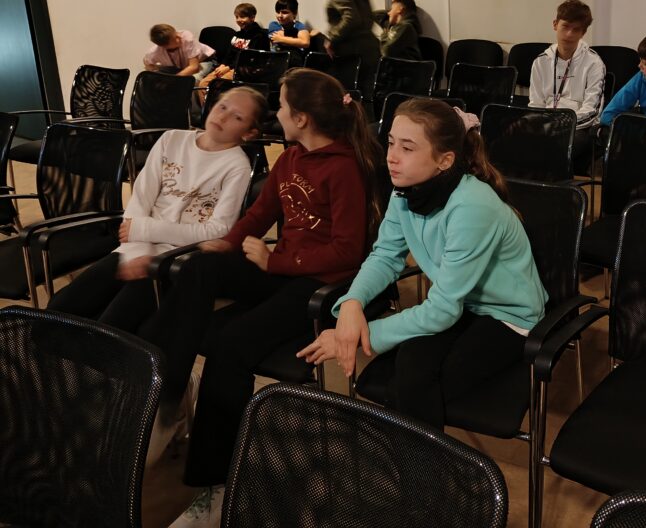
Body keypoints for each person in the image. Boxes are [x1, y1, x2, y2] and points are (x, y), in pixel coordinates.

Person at [156, 68, 382, 527]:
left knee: (231, 343)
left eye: (280, 106)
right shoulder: (292, 157)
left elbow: (348, 252)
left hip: (320, 285)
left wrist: (275, 261)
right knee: (198, 268)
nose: (275, 113)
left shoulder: (344, 168)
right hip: (282, 270)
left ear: (301, 118)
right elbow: (259, 215)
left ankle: (218, 482)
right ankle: (166, 391)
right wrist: (225, 244)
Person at [298, 98, 547, 432]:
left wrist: (358, 335)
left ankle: (421, 465)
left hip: (507, 316)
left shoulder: (472, 207)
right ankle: (418, 462)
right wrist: (352, 305)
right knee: (409, 366)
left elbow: (442, 311)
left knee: (410, 386)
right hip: (461, 303)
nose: (391, 156)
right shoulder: (405, 191)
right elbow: (385, 255)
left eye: (407, 148)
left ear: (445, 160)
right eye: (391, 143)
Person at [47, 87, 264, 331]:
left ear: (249, 133)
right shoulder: (172, 139)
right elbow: (140, 199)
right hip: (134, 245)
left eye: (237, 117)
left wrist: (144, 230)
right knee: (60, 308)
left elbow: (217, 230)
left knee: (110, 326)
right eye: (222, 106)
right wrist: (137, 251)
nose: (222, 117)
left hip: (177, 258)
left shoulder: (237, 166)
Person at [528, 0, 606, 172]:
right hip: (547, 123)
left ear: (583, 33)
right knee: (514, 139)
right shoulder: (541, 61)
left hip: (580, 128)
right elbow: (535, 104)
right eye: (565, 27)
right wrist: (543, 124)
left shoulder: (594, 63)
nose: (569, 34)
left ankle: (554, 186)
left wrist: (562, 125)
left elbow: (592, 111)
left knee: (556, 149)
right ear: (555, 24)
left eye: (576, 29)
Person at [320, 0, 381, 91]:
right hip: (369, 48)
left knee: (350, 97)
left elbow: (352, 17)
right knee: (365, 96)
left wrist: (331, 38)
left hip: (352, 52)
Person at [198, 3, 271, 87]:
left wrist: (228, 68)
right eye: (237, 17)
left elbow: (250, 58)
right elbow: (229, 54)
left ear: (252, 17)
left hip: (246, 70)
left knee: (218, 84)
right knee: (203, 84)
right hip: (231, 67)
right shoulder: (237, 35)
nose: (239, 20)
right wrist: (223, 65)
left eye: (242, 17)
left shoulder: (260, 36)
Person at [144, 24, 216, 81]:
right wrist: (156, 68)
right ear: (164, 46)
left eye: (176, 33)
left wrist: (173, 79)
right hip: (181, 68)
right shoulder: (156, 51)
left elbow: (194, 67)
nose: (179, 36)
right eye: (175, 38)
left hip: (204, 61)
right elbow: (147, 62)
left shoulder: (187, 37)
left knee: (192, 81)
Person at [267, 0, 310, 67]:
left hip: (295, 63)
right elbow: (278, 38)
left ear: (294, 14)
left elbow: (305, 42)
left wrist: (282, 39)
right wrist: (297, 40)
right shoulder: (274, 24)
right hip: (277, 62)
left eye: (284, 12)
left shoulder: (299, 25)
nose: (280, 16)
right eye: (278, 12)